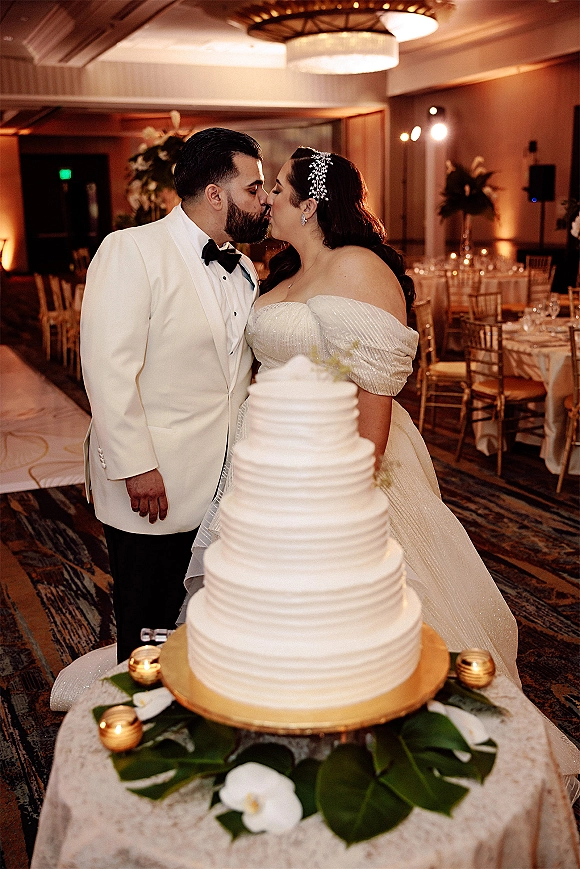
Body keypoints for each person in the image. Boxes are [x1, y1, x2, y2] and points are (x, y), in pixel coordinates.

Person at [80, 127, 270, 662]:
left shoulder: (244, 268)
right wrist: (136, 465)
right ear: (215, 194)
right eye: (253, 188)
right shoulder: (131, 250)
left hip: (224, 486)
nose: (264, 200)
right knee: (149, 629)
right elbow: (108, 370)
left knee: (207, 628)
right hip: (154, 483)